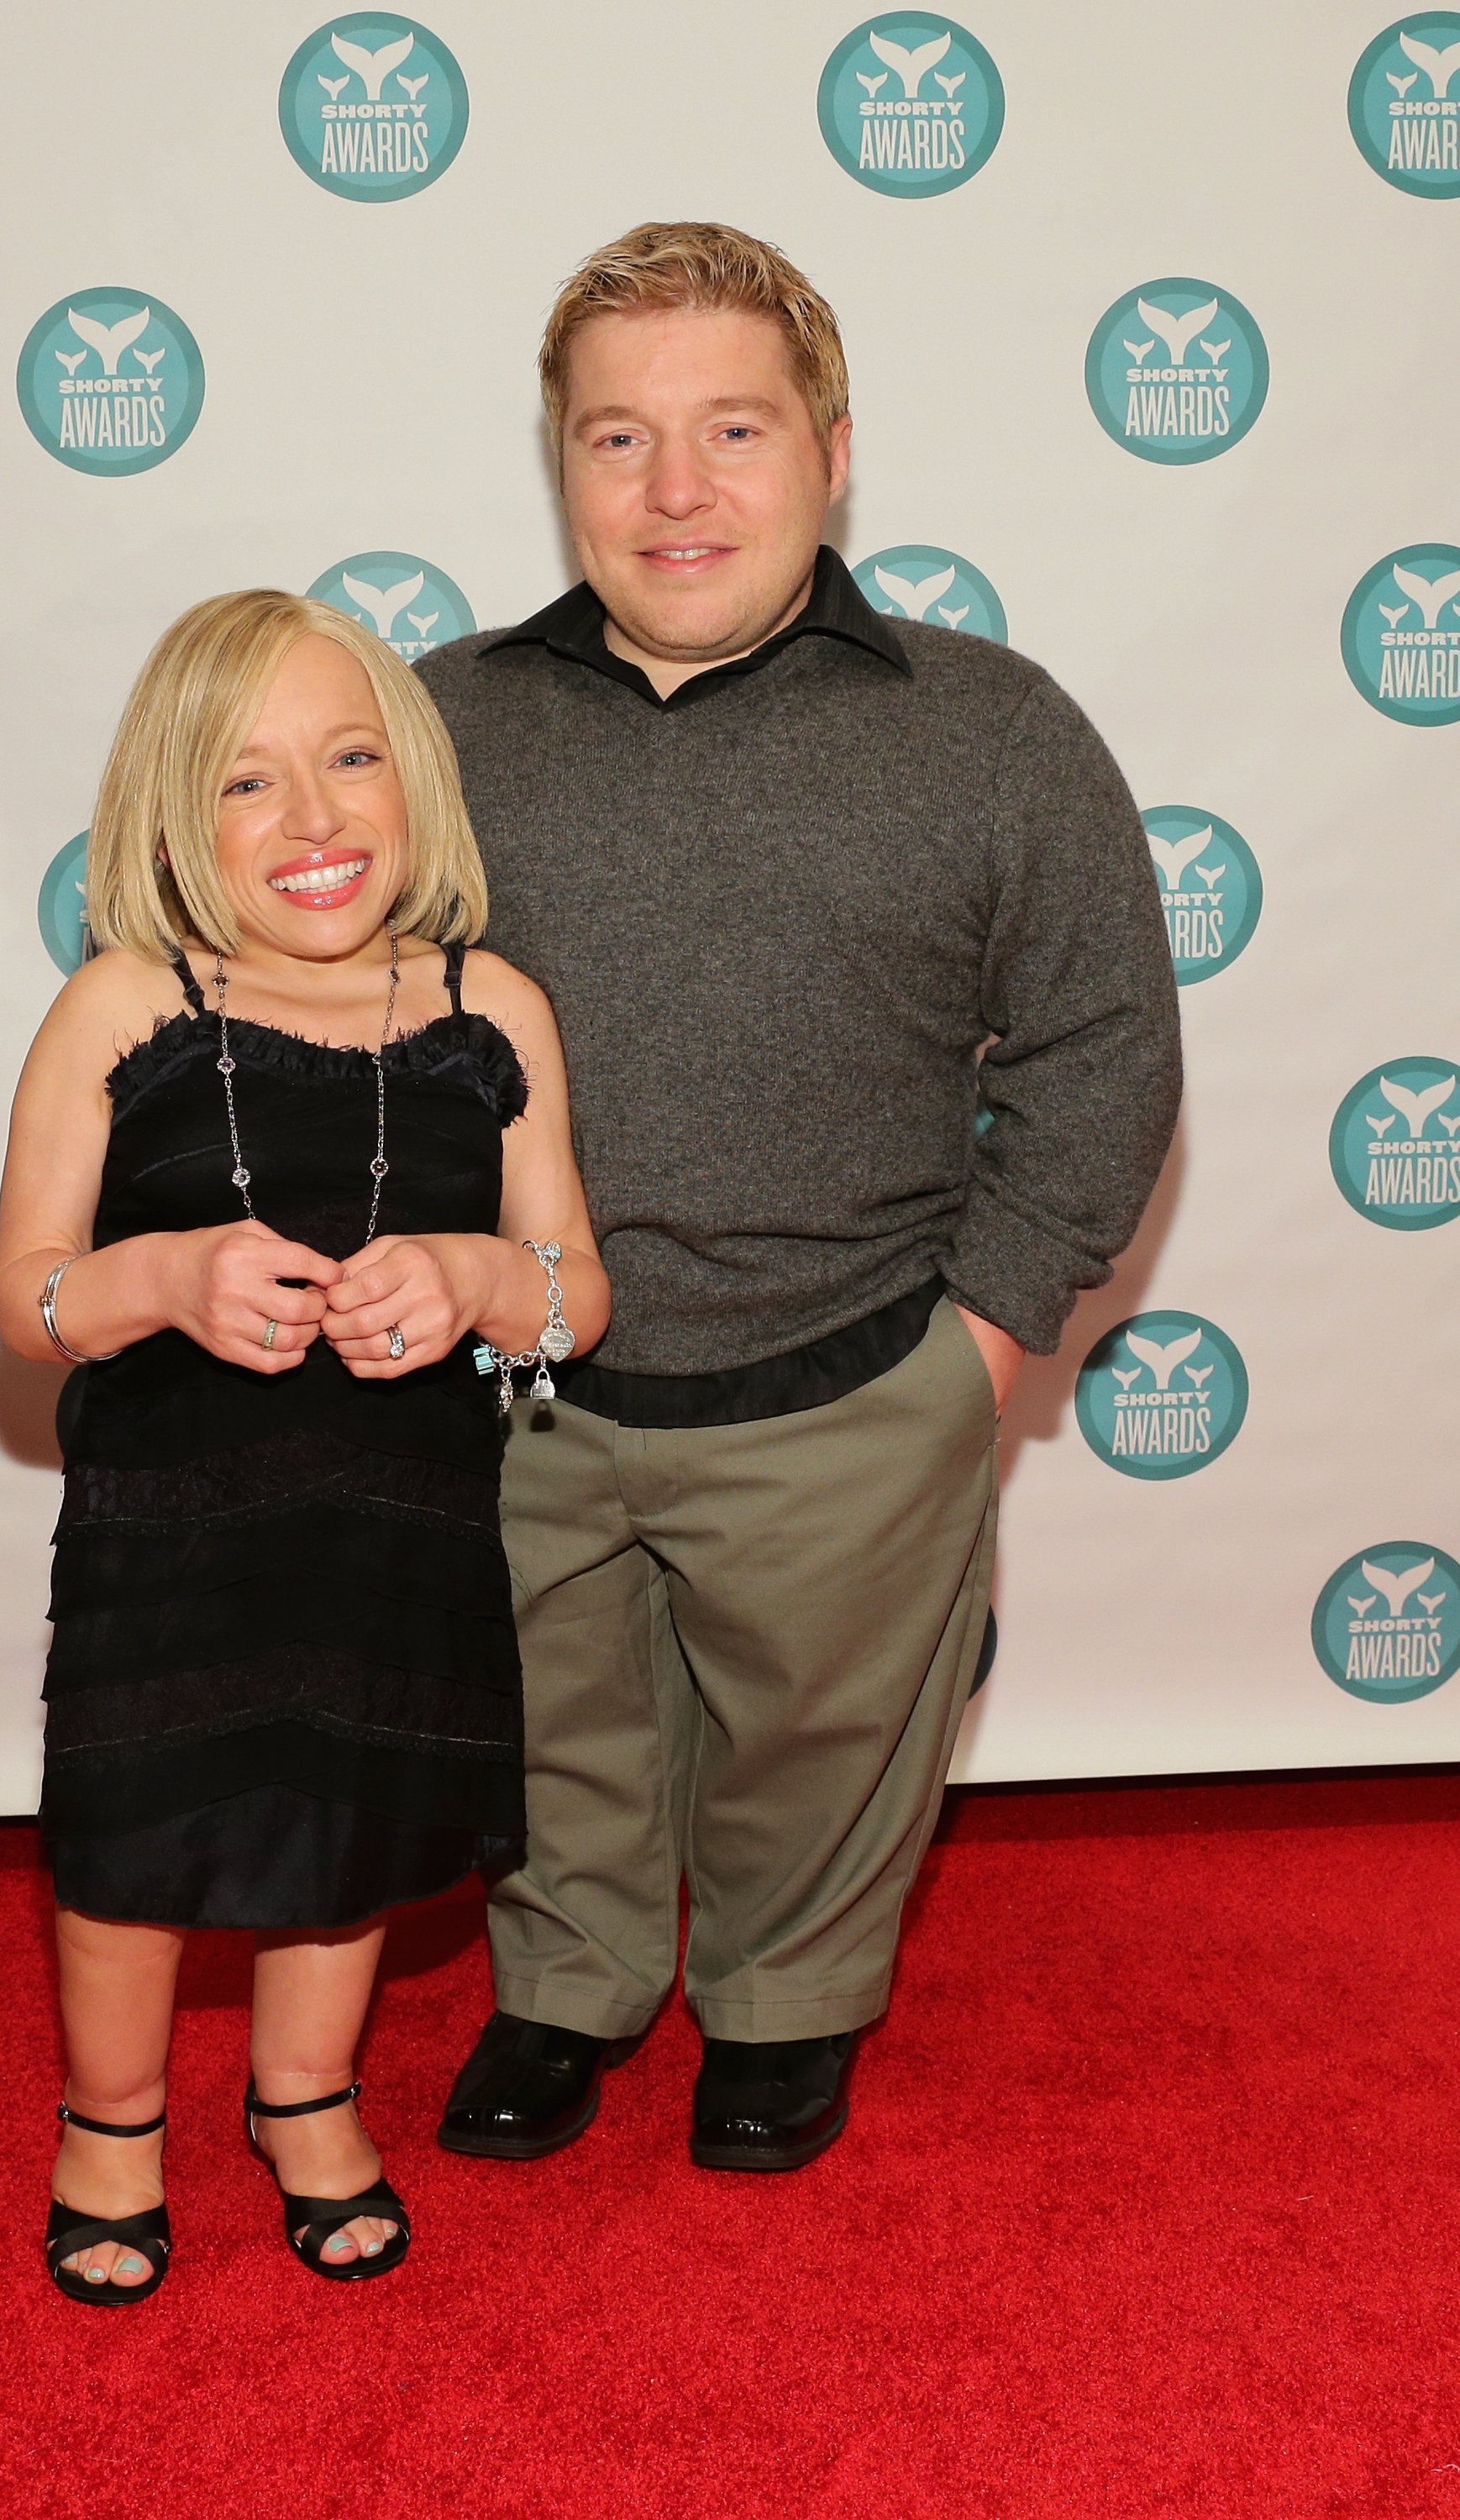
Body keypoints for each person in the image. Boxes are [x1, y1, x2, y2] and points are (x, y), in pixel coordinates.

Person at [417, 223, 1180, 2171]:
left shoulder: (994, 729)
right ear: (561, 462)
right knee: (545, 1734)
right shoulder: (424, 730)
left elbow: (1103, 1049)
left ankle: (784, 2007)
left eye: (732, 430)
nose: (677, 490)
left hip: (854, 1387)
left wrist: (989, 1338)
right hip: (505, 1399)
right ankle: (567, 1987)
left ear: (832, 453)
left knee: (825, 1759)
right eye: (619, 439)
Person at [0, 591, 606, 2298]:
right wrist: (164, 1275)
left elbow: (579, 1293)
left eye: (350, 759)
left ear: (416, 780)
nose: (316, 818)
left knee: (350, 1833)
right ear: (175, 815)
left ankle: (303, 2096)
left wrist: (487, 1275)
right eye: (251, 782)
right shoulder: (123, 1004)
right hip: (164, 1530)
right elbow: (26, 1298)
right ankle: (110, 2125)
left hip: (401, 1520)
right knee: (132, 1847)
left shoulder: (500, 1012)